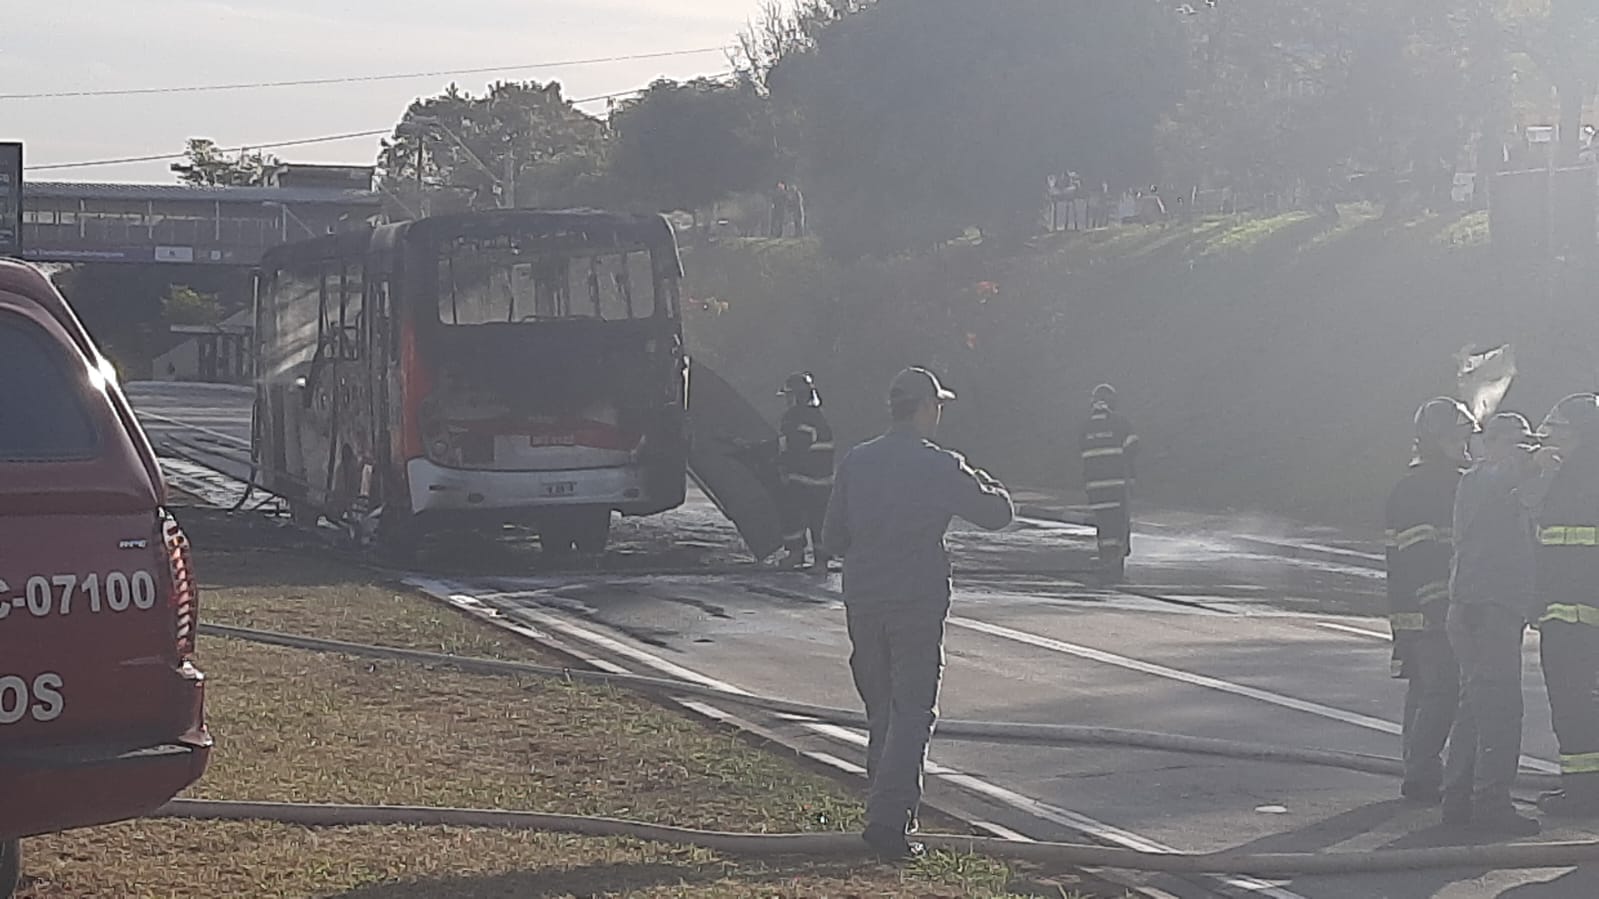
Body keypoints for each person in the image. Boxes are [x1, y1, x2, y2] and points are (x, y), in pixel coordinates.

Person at [821, 366, 1014, 859]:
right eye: (939, 406)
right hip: (915, 601)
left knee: (881, 711)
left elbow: (833, 538)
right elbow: (998, 513)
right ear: (926, 409)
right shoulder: (940, 465)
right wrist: (979, 477)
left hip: (863, 600)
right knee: (912, 713)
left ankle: (884, 810)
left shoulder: (856, 461)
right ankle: (889, 822)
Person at [1442, 412, 1542, 835]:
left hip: (1480, 607)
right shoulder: (1486, 478)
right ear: (1495, 443)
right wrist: (1526, 460)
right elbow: (1503, 481)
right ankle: (1490, 804)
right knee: (1500, 710)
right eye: (1516, 442)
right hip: (1487, 609)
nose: (1524, 450)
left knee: (1474, 708)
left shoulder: (1493, 481)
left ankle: (1458, 799)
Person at [1387, 397, 1475, 804]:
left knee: (1426, 690)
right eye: (1458, 436)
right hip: (1425, 607)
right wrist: (1439, 605)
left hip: (1428, 605)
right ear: (1433, 439)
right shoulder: (1419, 489)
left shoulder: (1454, 482)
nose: (1465, 443)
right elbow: (1420, 553)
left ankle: (1418, 768)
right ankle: (1422, 771)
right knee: (1442, 689)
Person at [1531, 393, 1599, 818]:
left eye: (1559, 431)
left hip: (1570, 619)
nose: (1552, 439)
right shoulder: (1573, 475)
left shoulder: (1573, 480)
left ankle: (1581, 792)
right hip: (1577, 615)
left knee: (1573, 707)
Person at [1079, 383, 1139, 582]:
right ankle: (1115, 564)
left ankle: (1106, 560)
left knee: (1104, 526)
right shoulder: (1120, 423)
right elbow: (1134, 447)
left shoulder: (1085, 426)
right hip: (1117, 486)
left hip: (1095, 489)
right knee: (1118, 526)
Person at [776, 372, 835, 571]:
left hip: (803, 479)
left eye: (789, 396)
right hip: (822, 480)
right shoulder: (817, 416)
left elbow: (794, 447)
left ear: (797, 396)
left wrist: (781, 465)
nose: (786, 401)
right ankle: (819, 560)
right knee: (818, 521)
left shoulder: (798, 417)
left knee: (794, 516)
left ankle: (797, 554)